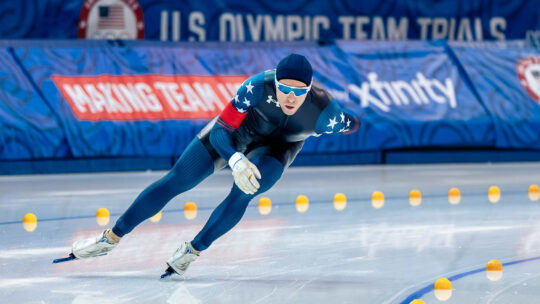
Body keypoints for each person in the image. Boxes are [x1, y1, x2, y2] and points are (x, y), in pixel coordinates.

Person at [68, 53, 360, 277]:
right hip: (239, 132)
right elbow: (222, 128)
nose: (291, 97)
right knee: (178, 179)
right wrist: (234, 159)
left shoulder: (326, 114)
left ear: (309, 90)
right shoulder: (256, 87)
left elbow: (352, 124)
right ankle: (110, 238)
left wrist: (350, 123)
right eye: (285, 89)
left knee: (245, 192)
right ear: (275, 83)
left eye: (299, 92)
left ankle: (192, 251)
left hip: (280, 146)